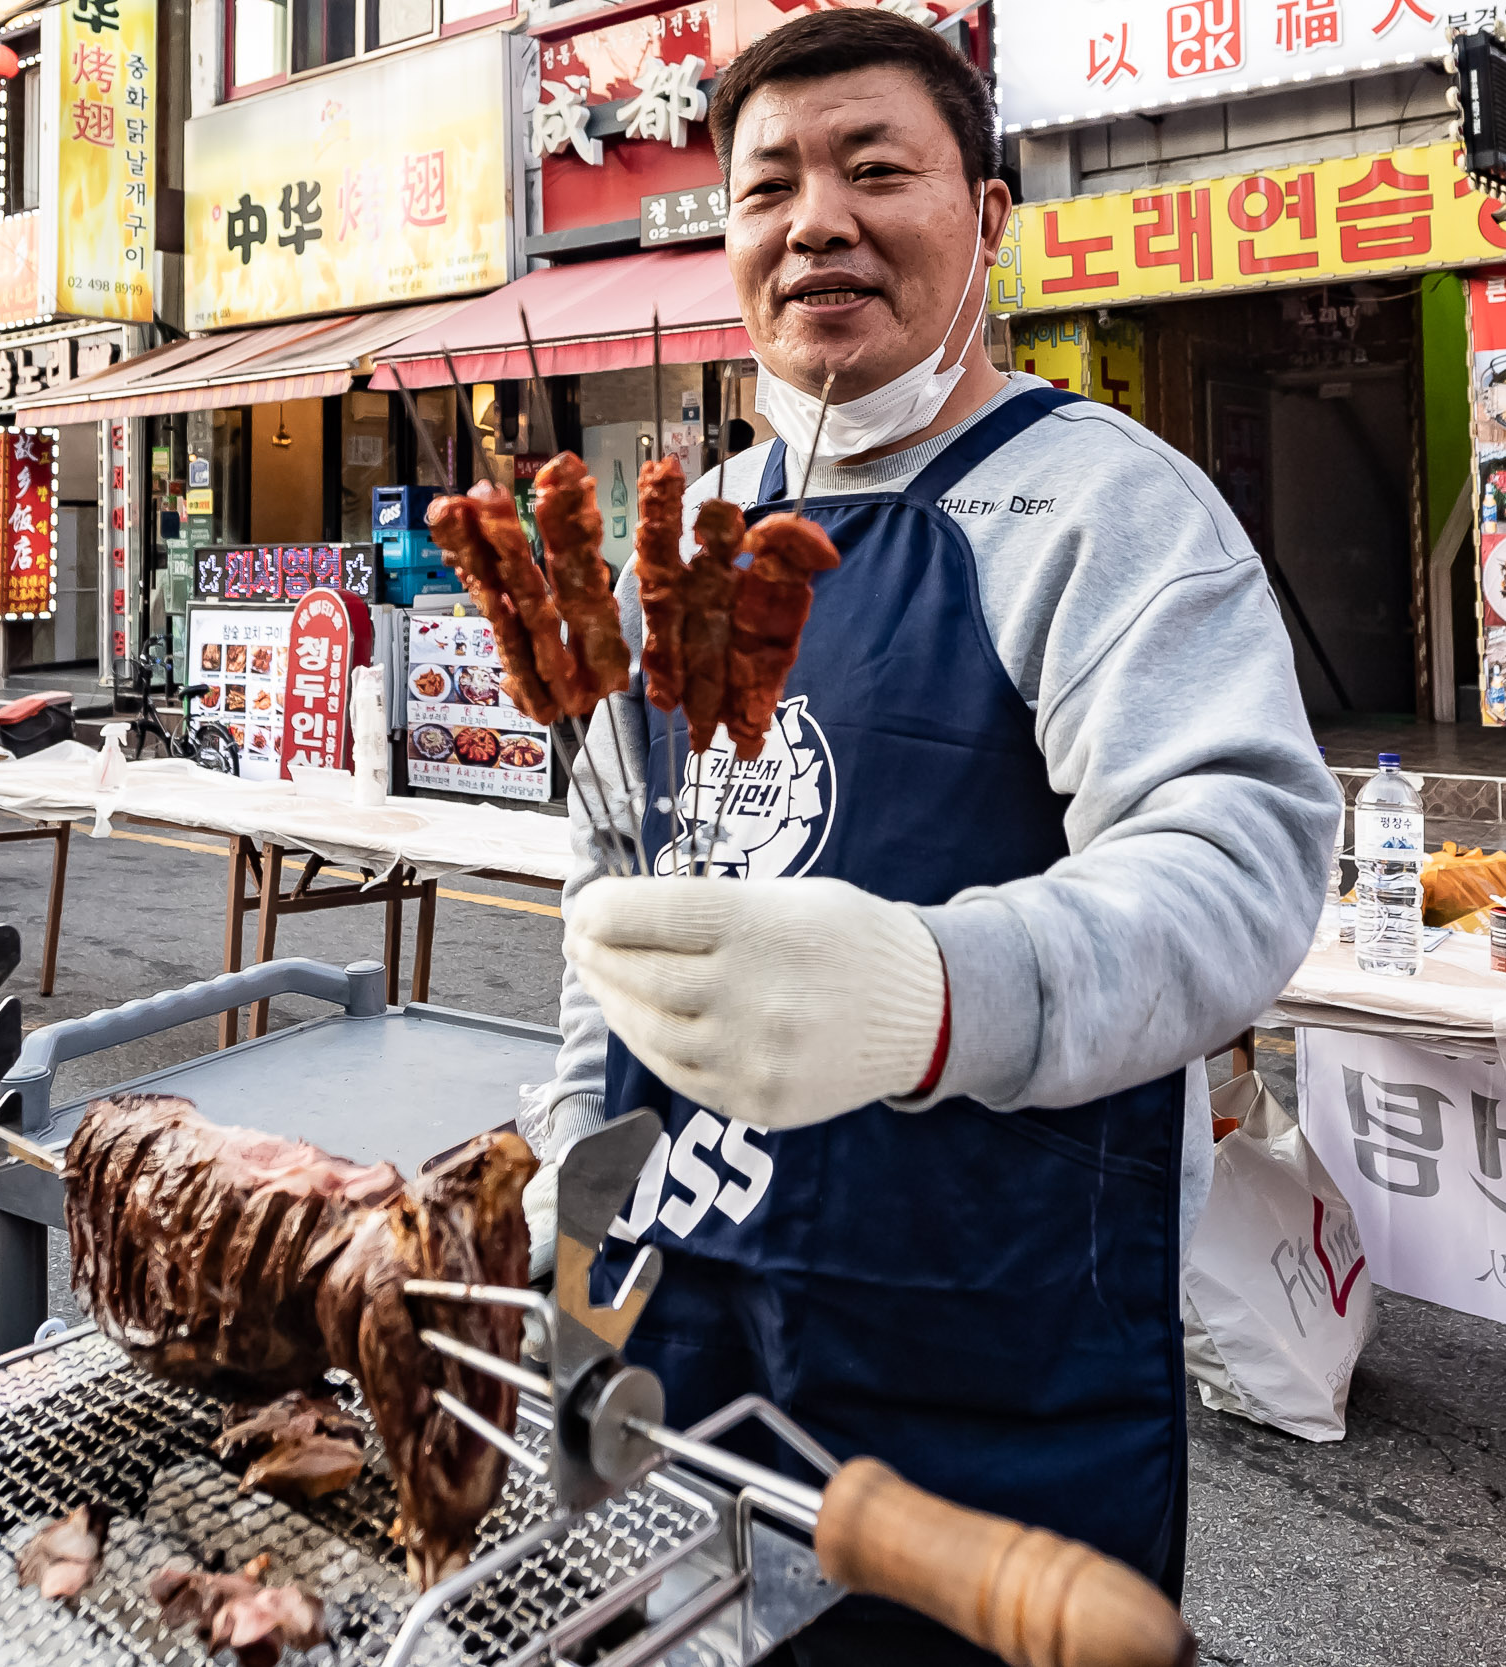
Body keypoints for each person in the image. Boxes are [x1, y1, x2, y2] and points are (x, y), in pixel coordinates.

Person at [529, 14, 1339, 1662]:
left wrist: (935, 986)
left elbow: (1239, 853)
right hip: (669, 1324)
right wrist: (564, 1183)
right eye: (769, 187)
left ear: (987, 220)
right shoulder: (678, 549)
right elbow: (604, 916)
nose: (815, 217)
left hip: (988, 1376)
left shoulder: (1105, 510)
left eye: (874, 169)